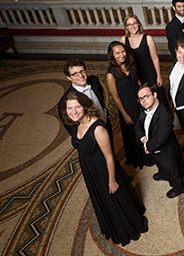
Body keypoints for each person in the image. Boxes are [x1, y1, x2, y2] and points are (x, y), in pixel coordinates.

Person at [61, 92, 148, 246]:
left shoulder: (98, 128)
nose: (73, 111)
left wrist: (112, 181)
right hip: (90, 170)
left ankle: (128, 225)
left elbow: (109, 157)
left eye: (77, 107)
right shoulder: (76, 123)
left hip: (104, 170)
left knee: (114, 197)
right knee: (102, 199)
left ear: (85, 107)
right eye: (69, 108)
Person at [134, 83, 184, 199]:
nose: (143, 101)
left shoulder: (165, 115)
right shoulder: (145, 108)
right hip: (151, 145)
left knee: (171, 171)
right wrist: (144, 140)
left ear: (155, 95)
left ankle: (179, 188)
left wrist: (147, 146)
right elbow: (137, 126)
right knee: (160, 165)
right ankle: (163, 173)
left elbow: (159, 140)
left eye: (146, 96)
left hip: (164, 151)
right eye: (140, 98)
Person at [106, 41, 150, 168]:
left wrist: (145, 96)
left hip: (139, 100)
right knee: (135, 131)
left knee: (145, 126)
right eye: (117, 53)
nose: (121, 55)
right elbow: (116, 97)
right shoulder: (111, 74)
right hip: (127, 105)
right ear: (112, 55)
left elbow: (138, 81)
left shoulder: (130, 63)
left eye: (123, 51)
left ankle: (150, 152)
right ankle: (141, 158)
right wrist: (125, 114)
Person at [120, 15, 168, 107]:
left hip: (149, 71)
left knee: (155, 95)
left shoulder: (148, 38)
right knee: (141, 97)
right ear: (126, 27)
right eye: (129, 24)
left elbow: (155, 58)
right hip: (135, 73)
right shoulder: (123, 40)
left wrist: (159, 76)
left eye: (134, 23)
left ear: (138, 24)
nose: (132, 26)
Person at [57, 58, 108, 137]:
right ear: (69, 78)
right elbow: (72, 128)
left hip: (105, 123)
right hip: (91, 135)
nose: (80, 76)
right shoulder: (65, 102)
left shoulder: (94, 80)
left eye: (82, 71)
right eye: (75, 74)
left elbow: (101, 96)